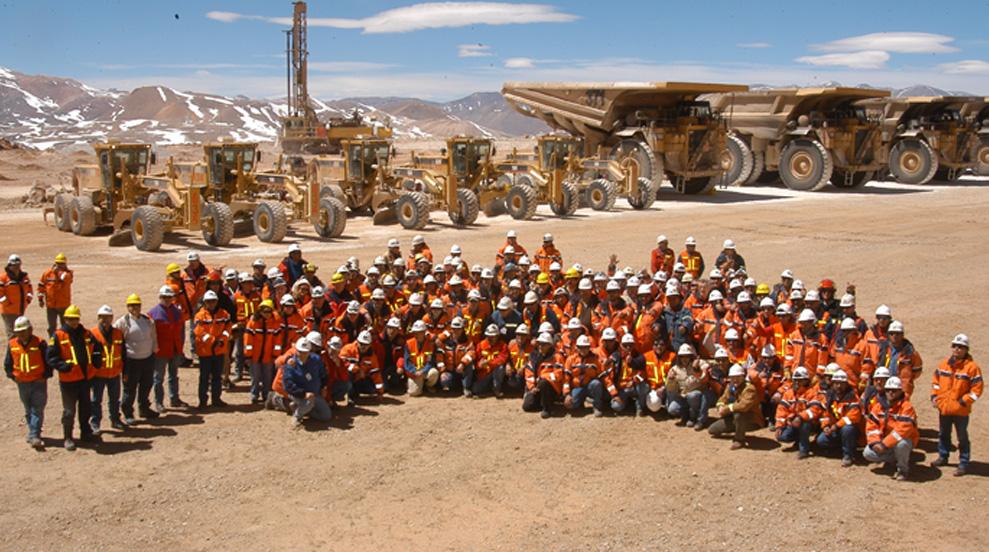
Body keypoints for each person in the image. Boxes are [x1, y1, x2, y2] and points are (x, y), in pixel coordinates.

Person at [47, 305, 103, 450]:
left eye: (75, 319)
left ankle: (86, 433)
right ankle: (68, 437)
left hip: (85, 379)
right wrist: (63, 366)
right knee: (69, 411)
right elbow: (51, 357)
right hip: (69, 380)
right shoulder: (58, 336)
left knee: (86, 408)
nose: (73, 322)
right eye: (70, 319)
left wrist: (96, 362)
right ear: (65, 319)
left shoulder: (86, 333)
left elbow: (97, 348)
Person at [930, 334, 983, 476]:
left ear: (966, 349)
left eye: (961, 347)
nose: (957, 349)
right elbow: (936, 382)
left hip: (961, 411)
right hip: (945, 408)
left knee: (962, 437)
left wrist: (964, 401)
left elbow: (977, 389)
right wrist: (935, 397)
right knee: (943, 434)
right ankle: (943, 456)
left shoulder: (972, 368)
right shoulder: (943, 365)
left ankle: (964, 463)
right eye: (955, 346)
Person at [4, 316, 50, 449]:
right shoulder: (12, 344)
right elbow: (8, 363)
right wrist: (13, 376)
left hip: (38, 382)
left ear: (30, 329)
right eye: (19, 332)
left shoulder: (40, 343)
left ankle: (35, 435)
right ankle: (33, 432)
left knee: (37, 408)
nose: (21, 334)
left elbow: (48, 362)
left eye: (23, 331)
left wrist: (45, 376)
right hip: (22, 383)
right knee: (28, 409)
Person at [863, 376, 918, 481]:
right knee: (868, 453)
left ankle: (903, 469)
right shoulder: (879, 406)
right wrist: (875, 443)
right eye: (888, 390)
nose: (890, 393)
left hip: (902, 440)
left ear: (900, 392)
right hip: (884, 441)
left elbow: (902, 431)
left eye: (894, 390)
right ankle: (896, 458)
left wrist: (884, 444)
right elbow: (871, 427)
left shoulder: (906, 407)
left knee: (902, 445)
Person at [114, 293, 158, 424]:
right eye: (132, 305)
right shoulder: (122, 322)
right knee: (130, 388)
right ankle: (128, 413)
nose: (135, 308)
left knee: (146, 385)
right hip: (131, 361)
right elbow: (116, 339)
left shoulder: (147, 320)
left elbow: (153, 336)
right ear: (128, 307)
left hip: (147, 359)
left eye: (137, 305)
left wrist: (154, 351)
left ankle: (144, 408)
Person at [149, 285, 187, 411]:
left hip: (175, 349)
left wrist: (181, 349)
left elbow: (181, 331)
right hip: (161, 351)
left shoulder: (177, 311)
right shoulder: (153, 314)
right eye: (164, 297)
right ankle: (159, 402)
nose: (167, 299)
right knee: (158, 378)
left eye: (169, 297)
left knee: (173, 375)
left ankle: (174, 399)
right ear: (160, 297)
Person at [709, 363, 764, 449]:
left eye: (738, 377)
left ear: (743, 377)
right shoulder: (730, 386)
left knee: (739, 414)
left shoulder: (749, 388)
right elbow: (722, 399)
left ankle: (739, 439)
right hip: (734, 417)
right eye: (733, 377)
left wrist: (727, 408)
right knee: (713, 430)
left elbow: (743, 406)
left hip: (751, 420)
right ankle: (738, 428)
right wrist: (720, 406)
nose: (735, 380)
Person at [281, 337, 331, 428]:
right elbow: (288, 385)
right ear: (296, 351)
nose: (303, 354)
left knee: (326, 416)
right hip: (298, 394)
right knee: (308, 403)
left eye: (305, 352)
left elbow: (323, 374)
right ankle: (297, 416)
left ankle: (299, 408)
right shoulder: (291, 364)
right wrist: (304, 394)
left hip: (315, 394)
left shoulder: (316, 360)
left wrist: (324, 387)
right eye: (300, 352)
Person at [90, 305, 125, 433]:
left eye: (108, 317)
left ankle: (115, 419)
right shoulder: (92, 334)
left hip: (114, 373)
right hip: (98, 374)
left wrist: (123, 370)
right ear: (98, 318)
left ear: (112, 318)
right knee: (96, 400)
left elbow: (123, 353)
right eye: (102, 317)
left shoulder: (118, 333)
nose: (105, 320)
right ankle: (95, 423)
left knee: (114, 399)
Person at [775, 367, 823, 459]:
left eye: (800, 380)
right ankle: (798, 440)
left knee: (804, 425)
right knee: (782, 436)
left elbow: (815, 410)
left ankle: (804, 449)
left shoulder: (812, 393)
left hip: (811, 424)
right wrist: (779, 426)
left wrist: (800, 417)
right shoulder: (788, 393)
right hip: (793, 422)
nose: (797, 383)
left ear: (806, 381)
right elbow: (781, 410)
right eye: (795, 380)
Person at [817, 369, 862, 467]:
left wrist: (836, 426)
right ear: (832, 384)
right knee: (821, 440)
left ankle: (848, 455)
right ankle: (840, 449)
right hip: (835, 428)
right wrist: (826, 426)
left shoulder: (853, 397)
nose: (839, 386)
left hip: (850, 430)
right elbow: (825, 414)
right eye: (836, 383)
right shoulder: (829, 396)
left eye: (841, 383)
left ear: (846, 384)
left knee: (847, 429)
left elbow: (853, 417)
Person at [193, 291, 231, 409]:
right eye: (209, 301)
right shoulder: (200, 316)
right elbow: (198, 331)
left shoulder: (224, 314)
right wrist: (213, 341)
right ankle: (203, 401)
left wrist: (222, 339)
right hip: (205, 352)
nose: (211, 304)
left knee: (217, 377)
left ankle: (216, 399)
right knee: (204, 378)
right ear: (205, 302)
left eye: (213, 301)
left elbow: (228, 328)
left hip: (219, 351)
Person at [244, 300, 281, 403]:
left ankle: (266, 395)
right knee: (255, 377)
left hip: (268, 356)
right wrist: (248, 356)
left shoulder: (275, 324)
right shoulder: (252, 323)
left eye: (269, 311)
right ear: (260, 311)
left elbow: (277, 342)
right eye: (264, 311)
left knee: (267, 378)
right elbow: (248, 341)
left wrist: (275, 355)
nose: (267, 314)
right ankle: (254, 395)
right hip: (255, 356)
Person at [523, 332, 565, 418]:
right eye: (539, 344)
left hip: (552, 388)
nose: (540, 346)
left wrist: (543, 378)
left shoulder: (557, 357)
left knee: (544, 383)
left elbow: (558, 375)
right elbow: (529, 373)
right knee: (527, 406)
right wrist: (532, 387)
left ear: (549, 345)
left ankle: (547, 409)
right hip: (537, 387)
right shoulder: (534, 356)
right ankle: (545, 403)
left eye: (543, 344)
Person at [666, 344, 708, 427]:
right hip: (683, 396)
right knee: (672, 409)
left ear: (691, 356)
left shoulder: (699, 363)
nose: (684, 359)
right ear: (679, 357)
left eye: (687, 356)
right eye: (682, 356)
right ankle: (685, 415)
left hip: (696, 396)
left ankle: (694, 417)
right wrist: (671, 380)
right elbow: (670, 389)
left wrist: (697, 368)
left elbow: (705, 374)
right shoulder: (674, 369)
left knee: (693, 395)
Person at [563, 334, 606, 416]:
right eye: (581, 347)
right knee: (571, 405)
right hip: (577, 387)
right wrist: (567, 394)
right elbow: (566, 378)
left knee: (596, 383)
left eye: (585, 347)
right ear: (577, 348)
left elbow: (603, 376)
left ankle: (597, 407)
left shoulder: (595, 359)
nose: (583, 349)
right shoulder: (571, 359)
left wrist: (614, 394)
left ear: (589, 347)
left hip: (590, 386)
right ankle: (580, 402)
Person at [466, 324, 508, 398]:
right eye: (489, 336)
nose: (490, 338)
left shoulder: (503, 345)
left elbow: (502, 359)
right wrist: (479, 365)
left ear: (497, 336)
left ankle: (496, 389)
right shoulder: (480, 345)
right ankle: (489, 390)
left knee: (500, 368)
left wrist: (489, 363)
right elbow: (476, 361)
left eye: (493, 336)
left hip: (496, 374)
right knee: (475, 390)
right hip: (483, 374)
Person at [38, 253, 73, 337]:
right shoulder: (47, 274)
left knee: (66, 326)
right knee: (51, 327)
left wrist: (58, 272)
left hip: (64, 305)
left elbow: (67, 279)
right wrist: (40, 299)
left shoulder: (68, 273)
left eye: (62, 264)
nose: (60, 266)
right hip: (51, 305)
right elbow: (41, 286)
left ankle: (66, 342)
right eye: (58, 263)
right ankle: (53, 342)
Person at [1, 254, 33, 337]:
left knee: (20, 334)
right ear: (9, 265)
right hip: (9, 311)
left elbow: (29, 289)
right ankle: (11, 350)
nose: (16, 267)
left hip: (21, 309)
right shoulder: (3, 278)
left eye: (18, 265)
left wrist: (28, 300)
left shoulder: (24, 277)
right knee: (12, 335)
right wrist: (7, 304)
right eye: (14, 265)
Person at [404, 320, 439, 396]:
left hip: (425, 371)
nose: (416, 334)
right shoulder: (409, 343)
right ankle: (412, 384)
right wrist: (414, 371)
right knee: (414, 393)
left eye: (419, 332)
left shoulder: (430, 344)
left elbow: (431, 362)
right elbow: (407, 362)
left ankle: (428, 386)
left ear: (424, 332)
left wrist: (423, 371)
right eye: (415, 332)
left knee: (434, 373)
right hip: (414, 372)